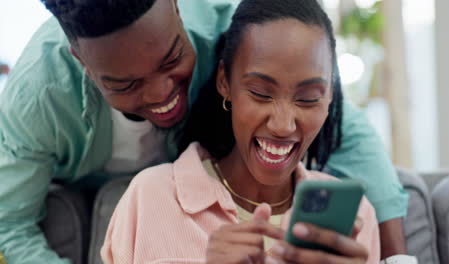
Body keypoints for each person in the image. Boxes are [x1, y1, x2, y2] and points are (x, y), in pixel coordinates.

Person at [0, 0, 407, 263]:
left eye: (172, 59)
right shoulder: (39, 95)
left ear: (176, 9)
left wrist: (396, 259)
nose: (163, 95)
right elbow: (10, 227)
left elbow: (329, 112)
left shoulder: (227, 34)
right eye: (125, 84)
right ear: (82, 63)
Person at [101, 1, 380, 263]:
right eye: (260, 93)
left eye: (307, 98)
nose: (282, 125)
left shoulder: (354, 217)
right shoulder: (151, 197)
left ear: (330, 97)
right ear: (225, 82)